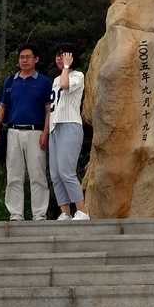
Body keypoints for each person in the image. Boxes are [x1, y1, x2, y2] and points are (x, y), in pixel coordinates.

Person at [0, 44, 53, 221]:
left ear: (36, 59)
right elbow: (2, 107)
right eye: (21, 57)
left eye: (28, 57)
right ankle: (15, 213)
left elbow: (49, 110)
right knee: (14, 175)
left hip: (36, 132)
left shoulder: (44, 82)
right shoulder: (10, 81)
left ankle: (39, 214)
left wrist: (46, 132)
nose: (24, 60)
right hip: (13, 131)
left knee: (38, 174)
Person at [48, 43, 89, 220]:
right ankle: (65, 212)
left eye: (62, 55)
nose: (59, 58)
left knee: (67, 171)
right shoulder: (55, 79)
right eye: (57, 55)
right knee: (56, 174)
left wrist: (66, 67)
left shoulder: (77, 75)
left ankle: (82, 210)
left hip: (70, 125)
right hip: (54, 127)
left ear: (71, 57)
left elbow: (66, 85)